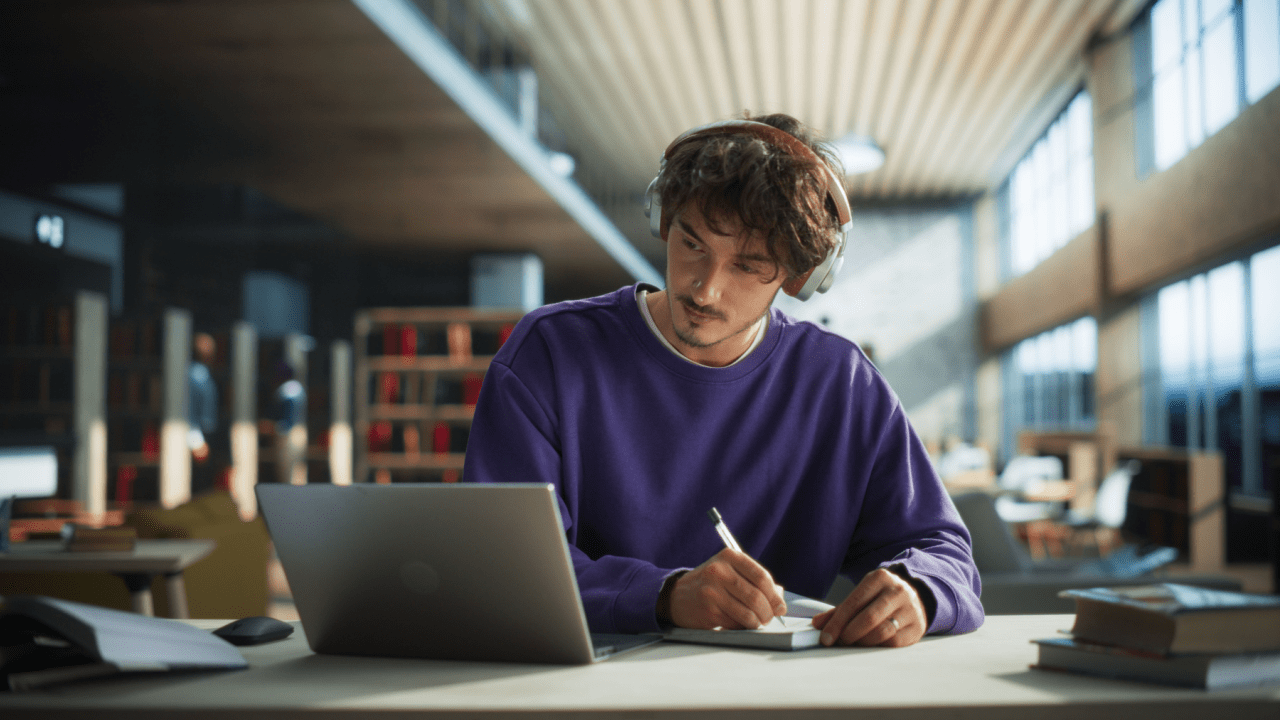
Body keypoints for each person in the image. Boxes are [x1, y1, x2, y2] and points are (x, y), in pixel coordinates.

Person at [463, 113, 983, 647]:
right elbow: (502, 568)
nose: (707, 290)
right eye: (693, 245)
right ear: (663, 218)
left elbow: (945, 553)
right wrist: (664, 596)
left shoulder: (842, 386)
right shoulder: (549, 353)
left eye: (748, 266)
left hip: (769, 697)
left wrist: (917, 593)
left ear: (800, 276)